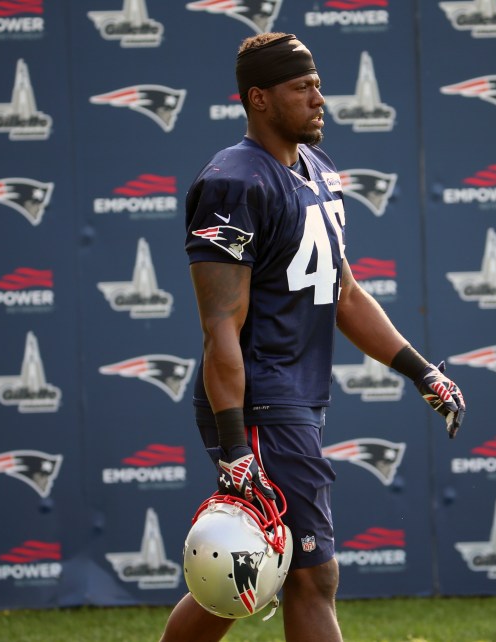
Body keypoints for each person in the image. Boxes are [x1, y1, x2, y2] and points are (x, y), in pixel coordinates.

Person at [159, 32, 466, 642]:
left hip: (293, 398)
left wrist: (421, 371)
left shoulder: (318, 171)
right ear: (260, 99)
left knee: (250, 567)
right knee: (312, 577)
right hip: (260, 403)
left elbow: (345, 294)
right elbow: (221, 325)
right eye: (302, 88)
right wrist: (235, 446)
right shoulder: (233, 183)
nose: (319, 98)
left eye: (318, 84)